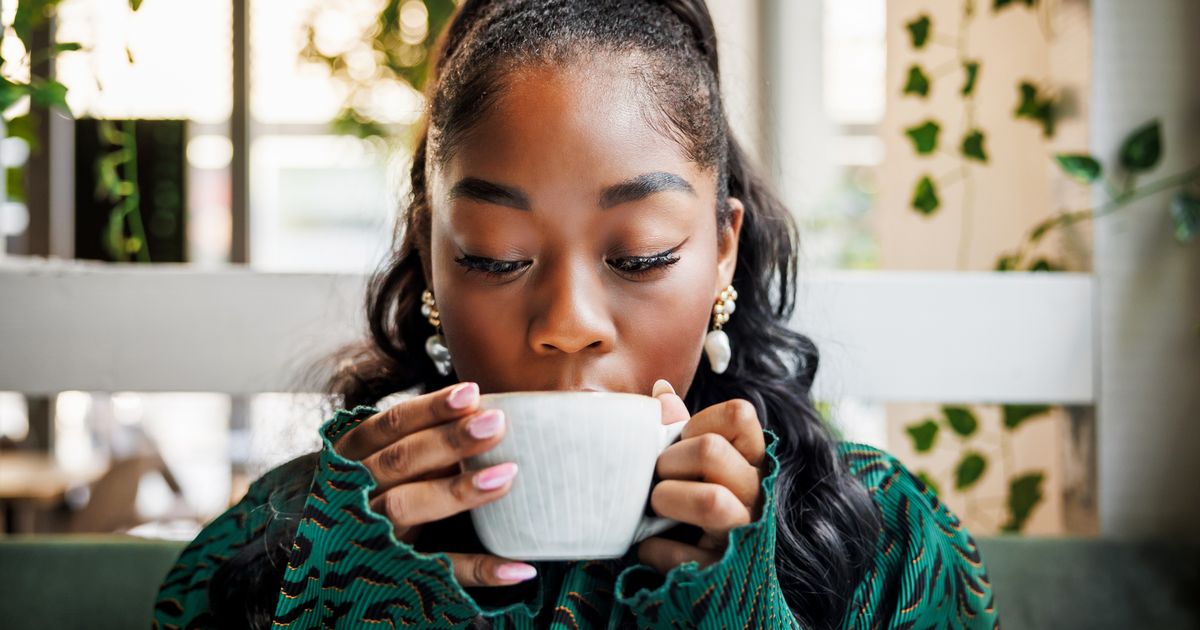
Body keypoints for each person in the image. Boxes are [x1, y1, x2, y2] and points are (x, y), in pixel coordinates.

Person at [153, 1, 998, 628]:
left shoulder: (881, 539)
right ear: (431, 259)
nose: (568, 321)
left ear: (723, 249)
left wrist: (740, 609)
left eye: (639, 257)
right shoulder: (287, 542)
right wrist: (342, 598)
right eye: (495, 255)